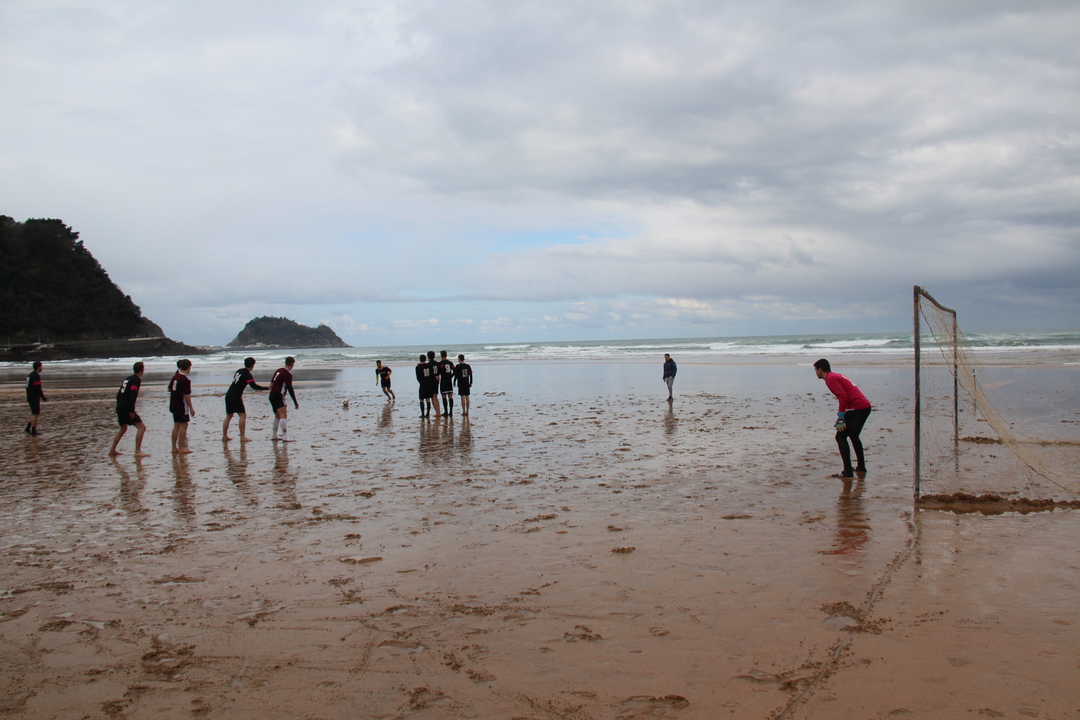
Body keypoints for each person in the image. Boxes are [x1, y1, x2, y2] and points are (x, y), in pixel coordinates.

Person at [814, 358, 872, 480]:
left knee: (840, 437)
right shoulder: (836, 375)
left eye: (815, 370)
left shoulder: (830, 379)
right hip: (864, 407)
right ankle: (861, 467)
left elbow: (843, 396)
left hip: (856, 408)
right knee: (854, 436)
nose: (816, 373)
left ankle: (847, 471)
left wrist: (841, 416)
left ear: (820, 370)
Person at [223, 357, 268, 442]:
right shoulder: (247, 374)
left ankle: (224, 436)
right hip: (236, 396)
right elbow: (253, 386)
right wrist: (267, 388)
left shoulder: (239, 371)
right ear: (252, 365)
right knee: (242, 415)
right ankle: (242, 437)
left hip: (228, 394)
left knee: (229, 415)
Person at [109, 361, 148, 457]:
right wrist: (131, 410)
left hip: (120, 406)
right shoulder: (136, 380)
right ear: (142, 370)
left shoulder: (127, 379)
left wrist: (119, 406)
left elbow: (118, 395)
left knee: (123, 428)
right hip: (126, 408)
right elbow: (133, 394)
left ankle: (112, 450)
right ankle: (137, 451)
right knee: (142, 427)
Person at [168, 359, 195, 454]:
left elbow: (169, 388)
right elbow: (187, 395)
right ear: (188, 367)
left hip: (173, 403)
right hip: (182, 405)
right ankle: (181, 447)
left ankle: (174, 447)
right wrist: (191, 407)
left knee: (176, 425)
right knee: (184, 425)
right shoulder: (185, 379)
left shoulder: (175, 377)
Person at [269, 357, 299, 441]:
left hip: (272, 395)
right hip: (279, 395)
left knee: (277, 416)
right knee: (283, 415)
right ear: (292, 364)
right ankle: (285, 436)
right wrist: (295, 402)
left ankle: (274, 435)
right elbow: (290, 388)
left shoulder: (278, 371)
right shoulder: (287, 374)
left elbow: (271, 383)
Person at [25, 361, 46, 436]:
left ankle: (28, 428)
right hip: (34, 397)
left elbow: (27, 387)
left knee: (33, 413)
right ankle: (33, 431)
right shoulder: (36, 376)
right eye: (41, 366)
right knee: (35, 414)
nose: (42, 368)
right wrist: (43, 398)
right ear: (38, 367)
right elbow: (38, 388)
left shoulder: (30, 375)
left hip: (29, 396)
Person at [438, 350, 456, 416]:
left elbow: (438, 372)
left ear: (441, 355)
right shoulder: (450, 363)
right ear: (446, 355)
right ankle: (451, 412)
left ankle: (446, 411)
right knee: (450, 396)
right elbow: (455, 370)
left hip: (443, 380)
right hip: (449, 380)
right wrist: (451, 376)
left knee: (444, 396)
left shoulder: (440, 363)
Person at [426, 351, 442, 417]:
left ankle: (437, 412)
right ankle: (439, 411)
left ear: (428, 357)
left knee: (433, 397)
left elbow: (429, 373)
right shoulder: (437, 363)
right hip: (437, 381)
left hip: (431, 381)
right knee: (436, 397)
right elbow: (440, 371)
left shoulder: (428, 364)